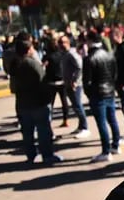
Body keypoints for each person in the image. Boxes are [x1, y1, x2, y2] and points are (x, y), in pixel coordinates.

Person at [9, 32, 63, 164]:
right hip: (38, 102)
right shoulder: (32, 64)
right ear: (28, 49)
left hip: (23, 103)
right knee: (43, 131)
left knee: (27, 132)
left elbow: (13, 87)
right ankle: (47, 155)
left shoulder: (15, 64)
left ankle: (30, 155)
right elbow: (42, 80)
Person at [83, 31, 121, 162]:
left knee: (102, 123)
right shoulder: (109, 55)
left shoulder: (89, 58)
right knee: (112, 119)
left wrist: (89, 93)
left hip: (97, 93)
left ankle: (106, 151)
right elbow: (115, 74)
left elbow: (86, 81)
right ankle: (116, 145)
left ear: (90, 41)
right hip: (109, 91)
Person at [59, 35, 90, 138]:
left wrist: (75, 81)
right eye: (60, 42)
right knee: (75, 106)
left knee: (78, 105)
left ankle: (85, 127)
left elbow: (79, 67)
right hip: (67, 83)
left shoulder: (72, 53)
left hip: (74, 85)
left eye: (63, 42)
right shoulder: (64, 54)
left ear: (68, 42)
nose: (61, 44)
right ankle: (81, 126)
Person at [42, 37, 69, 128]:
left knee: (50, 103)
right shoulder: (62, 54)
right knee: (64, 101)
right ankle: (66, 120)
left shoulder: (47, 56)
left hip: (51, 82)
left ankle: (48, 121)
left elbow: (43, 66)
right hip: (62, 80)